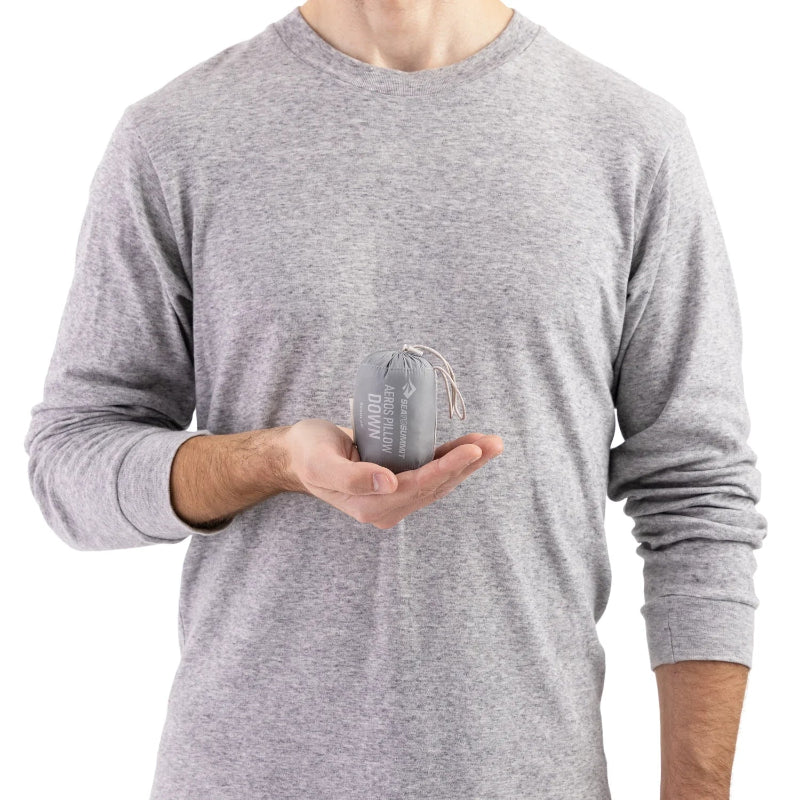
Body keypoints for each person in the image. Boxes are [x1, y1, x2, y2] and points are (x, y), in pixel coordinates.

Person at [23, 1, 767, 798]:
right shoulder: (174, 137)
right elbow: (70, 465)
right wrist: (268, 462)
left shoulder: (630, 141)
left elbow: (699, 495)